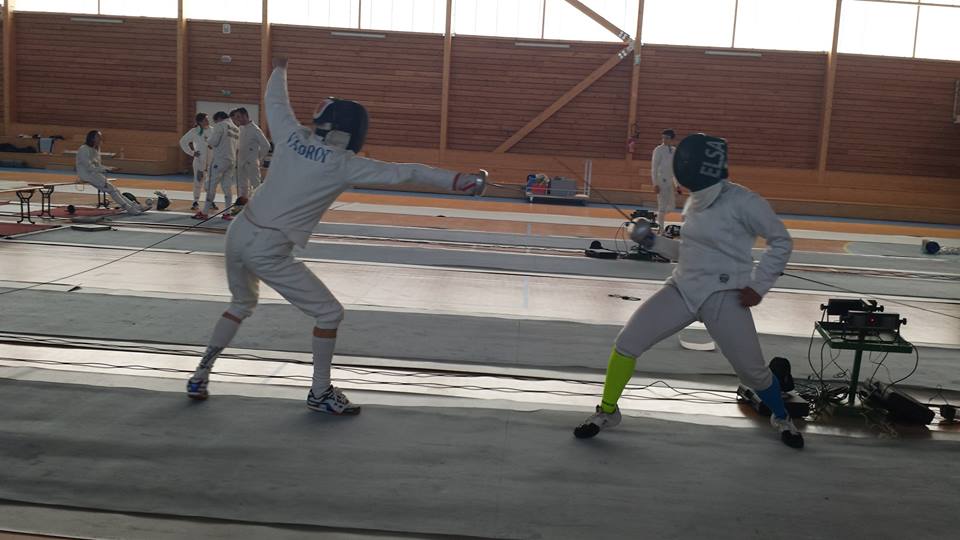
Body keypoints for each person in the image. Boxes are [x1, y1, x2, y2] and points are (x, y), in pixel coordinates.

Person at [185, 57, 486, 415]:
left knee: (240, 304)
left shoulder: (291, 136)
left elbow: (275, 100)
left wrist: (280, 68)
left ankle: (200, 374)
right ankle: (320, 392)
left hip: (239, 232)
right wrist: (461, 181)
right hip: (269, 248)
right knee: (329, 313)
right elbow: (406, 173)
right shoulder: (343, 164)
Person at [574, 133, 803, 449]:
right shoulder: (696, 201)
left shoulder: (744, 202)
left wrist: (758, 285)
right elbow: (687, 253)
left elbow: (781, 241)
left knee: (754, 375)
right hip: (682, 288)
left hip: (725, 295)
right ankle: (608, 411)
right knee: (627, 343)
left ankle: (781, 416)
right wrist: (650, 241)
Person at [76, 130, 152, 215]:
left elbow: (98, 165)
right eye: (98, 137)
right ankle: (129, 208)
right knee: (111, 189)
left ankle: (136, 207)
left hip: (95, 174)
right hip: (86, 174)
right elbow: (89, 167)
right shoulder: (84, 149)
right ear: (92, 138)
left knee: (115, 190)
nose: (100, 139)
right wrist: (108, 169)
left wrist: (110, 168)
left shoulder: (95, 149)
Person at [194, 111, 239, 220]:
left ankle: (205, 212)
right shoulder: (236, 128)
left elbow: (213, 142)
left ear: (219, 118)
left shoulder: (220, 125)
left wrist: (207, 140)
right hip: (231, 161)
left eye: (215, 121)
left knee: (210, 185)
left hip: (219, 160)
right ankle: (227, 213)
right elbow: (237, 147)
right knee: (227, 187)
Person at [230, 107, 271, 202]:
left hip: (251, 162)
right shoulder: (240, 128)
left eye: (238, 117)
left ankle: (259, 203)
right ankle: (243, 204)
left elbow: (266, 145)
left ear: (245, 116)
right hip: (241, 161)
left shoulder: (255, 129)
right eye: (236, 117)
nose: (237, 119)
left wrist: (258, 158)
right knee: (242, 185)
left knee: (255, 184)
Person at [650, 129, 681, 233]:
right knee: (662, 206)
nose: (664, 140)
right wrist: (655, 184)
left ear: (672, 139)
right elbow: (654, 168)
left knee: (671, 207)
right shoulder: (658, 150)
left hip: (669, 182)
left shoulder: (674, 150)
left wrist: (677, 185)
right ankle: (661, 229)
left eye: (667, 138)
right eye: (663, 137)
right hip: (661, 181)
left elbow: (674, 170)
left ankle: (657, 216)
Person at [179, 113, 211, 210]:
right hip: (199, 161)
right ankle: (195, 201)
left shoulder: (213, 130)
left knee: (211, 183)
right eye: (205, 120)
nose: (208, 121)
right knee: (198, 181)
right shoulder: (194, 131)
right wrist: (192, 153)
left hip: (211, 161)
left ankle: (210, 201)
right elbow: (183, 141)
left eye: (208, 119)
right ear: (200, 122)